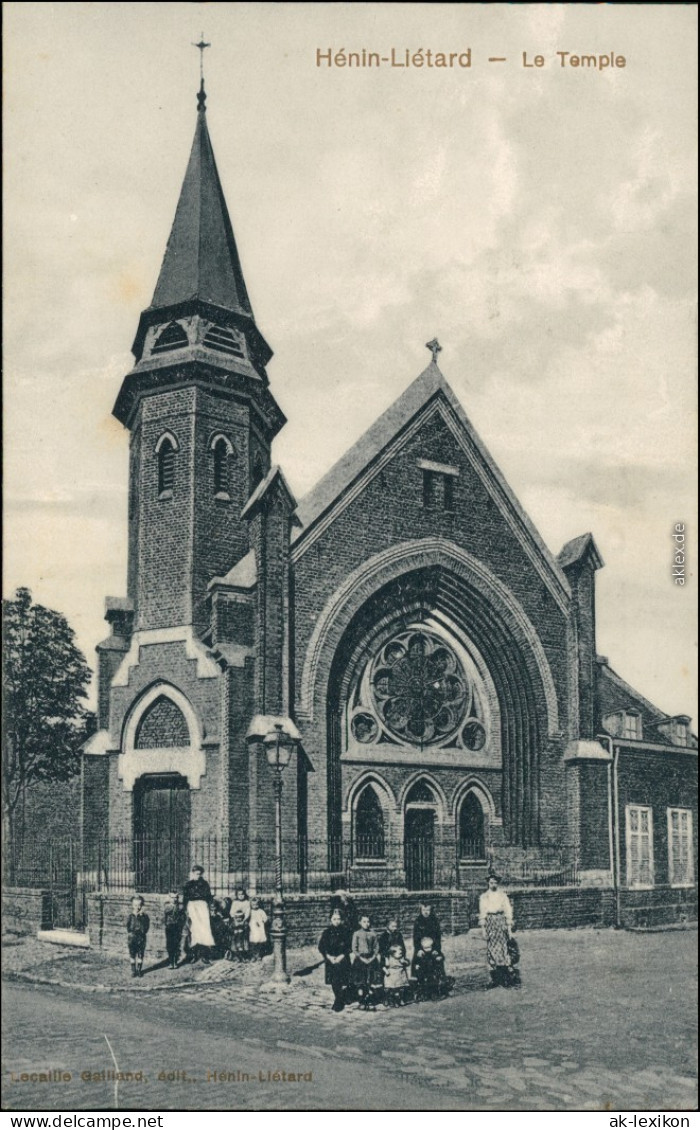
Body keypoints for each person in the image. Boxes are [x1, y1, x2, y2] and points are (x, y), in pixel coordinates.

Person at [478, 870, 517, 988]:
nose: (493, 885)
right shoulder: (484, 897)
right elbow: (483, 913)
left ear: (498, 883)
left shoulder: (503, 895)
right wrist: (484, 929)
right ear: (488, 884)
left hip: (501, 922)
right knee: (492, 950)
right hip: (490, 922)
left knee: (503, 948)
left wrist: (509, 929)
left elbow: (508, 911)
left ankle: (506, 977)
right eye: (491, 883)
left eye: (495, 883)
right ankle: (495, 978)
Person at [318, 909, 351, 1012]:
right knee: (334, 981)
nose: (336, 921)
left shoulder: (345, 931)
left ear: (341, 920)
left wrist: (342, 956)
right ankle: (339, 1000)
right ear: (330, 920)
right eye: (334, 919)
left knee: (340, 980)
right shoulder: (327, 932)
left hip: (342, 959)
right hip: (331, 960)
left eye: (339, 919)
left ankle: (338, 1000)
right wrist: (328, 956)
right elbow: (321, 947)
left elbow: (349, 946)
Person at [182, 865, 215, 965]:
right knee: (194, 930)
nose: (197, 876)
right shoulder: (188, 884)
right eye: (196, 873)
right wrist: (185, 909)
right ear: (192, 873)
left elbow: (209, 897)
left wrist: (211, 908)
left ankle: (205, 955)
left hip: (202, 906)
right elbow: (185, 898)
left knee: (205, 929)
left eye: (199, 874)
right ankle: (194, 955)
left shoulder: (204, 884)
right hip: (192, 906)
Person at [351, 914, 381, 1010]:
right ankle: (362, 1000)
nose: (367, 924)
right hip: (360, 959)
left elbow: (376, 947)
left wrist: (373, 957)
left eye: (368, 921)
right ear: (360, 922)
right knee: (361, 980)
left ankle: (370, 1000)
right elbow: (354, 948)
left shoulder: (373, 933)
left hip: (371, 959)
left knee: (371, 979)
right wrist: (361, 958)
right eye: (364, 921)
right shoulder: (356, 934)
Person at [412, 936, 450, 1000]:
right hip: (424, 971)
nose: (428, 949)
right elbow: (416, 960)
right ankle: (424, 994)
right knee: (423, 983)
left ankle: (434, 994)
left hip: (433, 970)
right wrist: (416, 965)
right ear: (422, 947)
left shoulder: (434, 952)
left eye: (429, 947)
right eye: (425, 948)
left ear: (432, 946)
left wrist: (439, 957)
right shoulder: (421, 953)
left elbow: (441, 956)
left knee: (433, 982)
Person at [411, 903, 442, 972]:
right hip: (421, 947)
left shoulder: (434, 921)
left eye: (428, 910)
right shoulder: (418, 921)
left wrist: (436, 949)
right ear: (421, 911)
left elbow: (438, 937)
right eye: (423, 910)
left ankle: (439, 977)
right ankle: (417, 978)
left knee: (437, 959)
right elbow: (416, 937)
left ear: (431, 911)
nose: (425, 912)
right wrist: (418, 949)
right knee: (418, 961)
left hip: (433, 946)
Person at [126, 895, 150, 978]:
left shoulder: (144, 916)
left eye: (139, 905)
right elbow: (128, 926)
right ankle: (133, 970)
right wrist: (131, 932)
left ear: (142, 905)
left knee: (140, 954)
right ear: (132, 905)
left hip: (141, 937)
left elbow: (147, 926)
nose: (138, 907)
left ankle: (139, 970)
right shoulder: (130, 916)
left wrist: (142, 932)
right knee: (132, 954)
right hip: (132, 937)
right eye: (135, 905)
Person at [383, 942, 411, 1007]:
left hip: (400, 974)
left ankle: (400, 999)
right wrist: (386, 971)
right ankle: (389, 999)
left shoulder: (402, 958)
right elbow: (383, 966)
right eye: (399, 953)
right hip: (391, 975)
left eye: (401, 953)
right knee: (391, 989)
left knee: (401, 988)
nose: (401, 955)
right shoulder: (388, 959)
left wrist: (404, 962)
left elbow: (408, 963)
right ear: (392, 954)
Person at [229, 888, 252, 960]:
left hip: (244, 921)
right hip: (236, 920)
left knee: (244, 938)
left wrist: (244, 920)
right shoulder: (235, 902)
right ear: (237, 895)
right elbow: (231, 912)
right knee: (235, 937)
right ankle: (236, 955)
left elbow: (248, 912)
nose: (241, 896)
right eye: (239, 894)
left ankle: (244, 955)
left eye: (242, 894)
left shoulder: (247, 902)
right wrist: (235, 918)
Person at [163, 891, 184, 969]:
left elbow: (182, 916)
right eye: (172, 897)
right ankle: (171, 962)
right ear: (169, 898)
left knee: (177, 944)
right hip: (169, 926)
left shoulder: (180, 906)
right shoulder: (167, 906)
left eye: (176, 897)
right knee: (170, 944)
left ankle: (175, 962)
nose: (174, 899)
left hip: (177, 927)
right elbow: (165, 914)